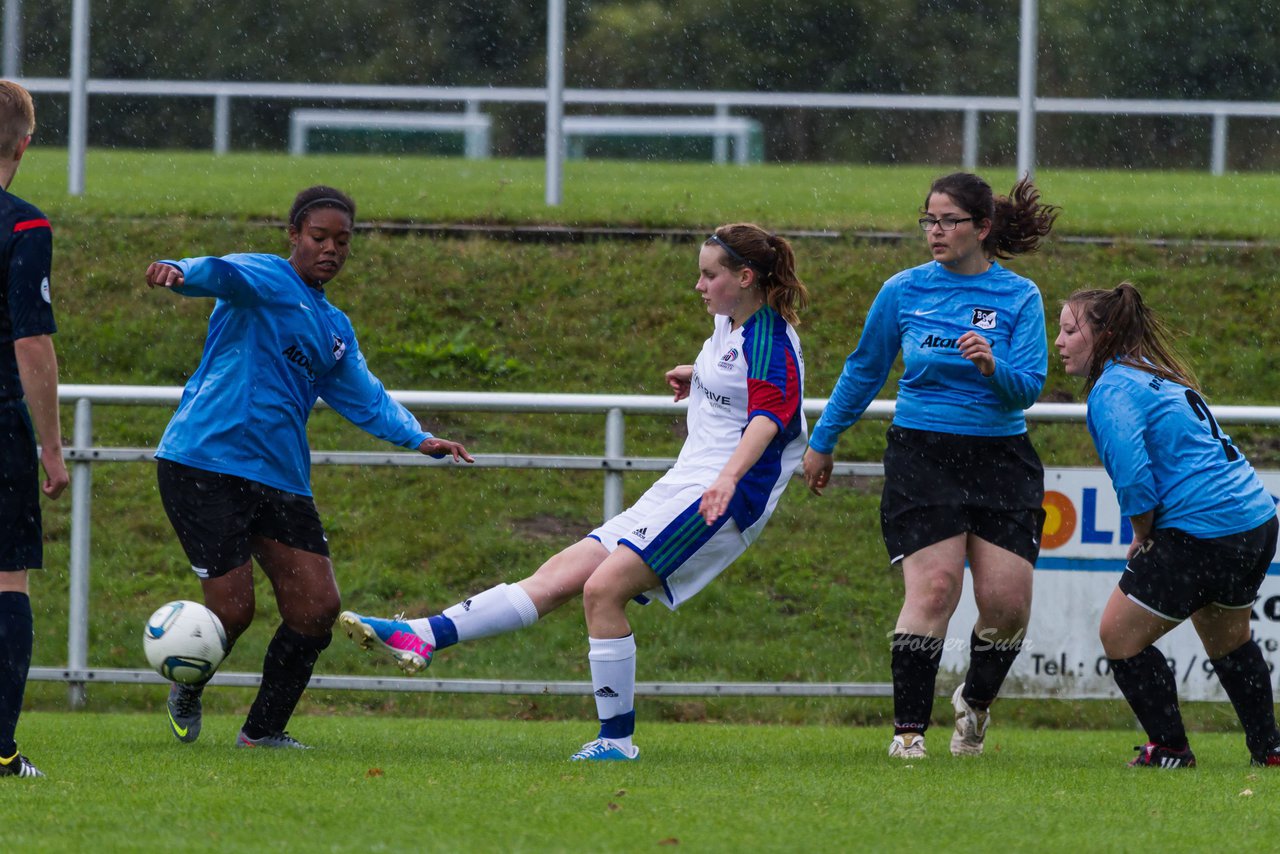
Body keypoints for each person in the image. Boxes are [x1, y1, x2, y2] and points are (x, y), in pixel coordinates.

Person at [341, 223, 808, 761]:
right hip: (683, 484)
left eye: (709, 275)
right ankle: (424, 634)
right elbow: (736, 382)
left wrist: (727, 478)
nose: (698, 286)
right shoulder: (728, 326)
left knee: (601, 591)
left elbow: (771, 418)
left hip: (723, 498)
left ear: (745, 277)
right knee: (557, 576)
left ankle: (616, 742)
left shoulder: (769, 336)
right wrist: (696, 375)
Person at [146, 185, 473, 749]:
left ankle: (264, 730)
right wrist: (181, 271)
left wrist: (419, 438)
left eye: (341, 241)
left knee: (317, 608)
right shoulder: (266, 277)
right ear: (293, 236)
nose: (330, 249)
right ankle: (188, 682)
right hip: (202, 462)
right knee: (235, 610)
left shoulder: (334, 329)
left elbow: (365, 398)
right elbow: (222, 274)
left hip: (279, 476)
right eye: (318, 237)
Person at [802, 172, 1058, 760]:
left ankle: (975, 705)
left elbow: (1028, 391)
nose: (934, 231)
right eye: (928, 220)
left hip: (1001, 459)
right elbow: (864, 369)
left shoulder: (1020, 296)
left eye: (947, 221)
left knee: (1007, 607)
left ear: (982, 228)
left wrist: (994, 367)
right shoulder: (904, 290)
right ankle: (908, 732)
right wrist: (824, 439)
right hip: (923, 452)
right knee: (937, 587)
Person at [1057, 283, 1280, 769]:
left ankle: (1172, 748)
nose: (1059, 342)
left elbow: (1135, 477)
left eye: (1071, 331)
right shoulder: (1154, 373)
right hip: (1256, 520)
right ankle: (1270, 750)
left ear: (1106, 335)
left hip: (1204, 530)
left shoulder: (1112, 388)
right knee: (1229, 639)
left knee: (1119, 636)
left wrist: (1142, 531)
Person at [0, 81, 68, 779]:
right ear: (25, 143)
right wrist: (51, 445)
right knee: (6, 581)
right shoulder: (24, 226)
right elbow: (31, 344)